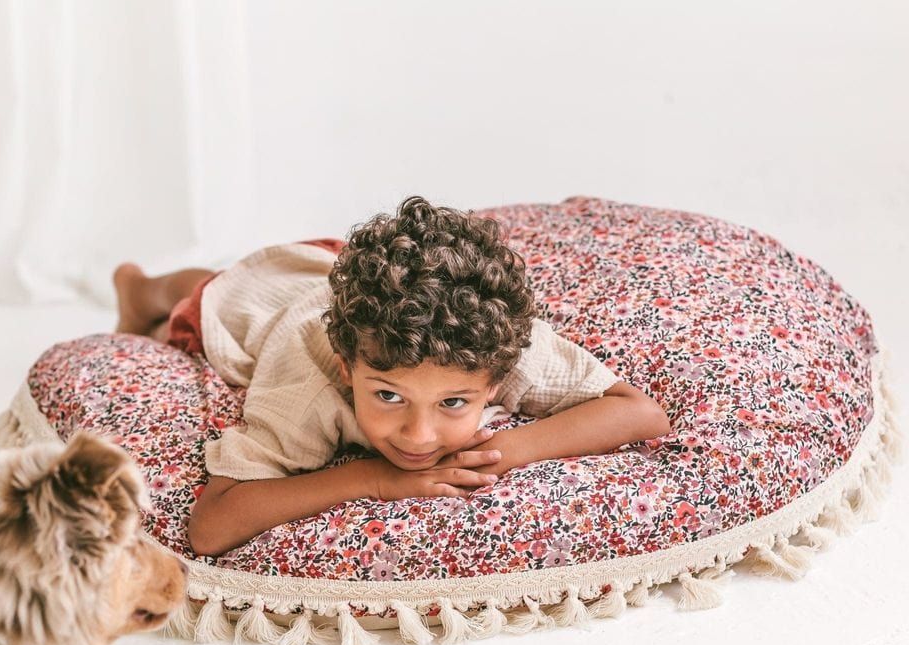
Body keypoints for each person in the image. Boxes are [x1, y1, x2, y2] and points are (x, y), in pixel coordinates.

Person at [112, 196, 671, 555]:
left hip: (347, 273)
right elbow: (210, 526)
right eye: (387, 395)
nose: (418, 437)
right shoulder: (307, 388)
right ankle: (139, 289)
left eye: (453, 404)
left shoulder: (493, 346)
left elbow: (640, 412)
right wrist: (373, 479)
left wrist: (503, 451)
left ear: (496, 383)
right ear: (346, 367)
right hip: (254, 302)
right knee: (202, 292)